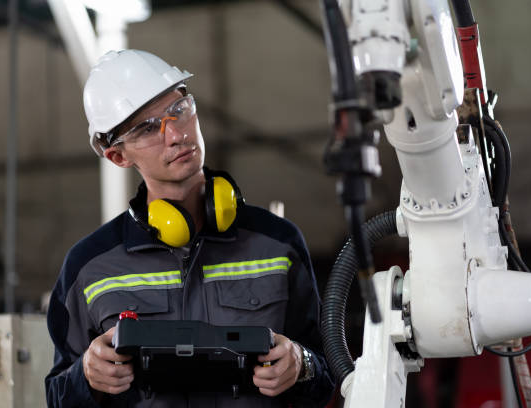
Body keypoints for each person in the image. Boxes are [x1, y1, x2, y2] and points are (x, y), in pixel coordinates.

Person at [45, 49, 334, 407]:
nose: (176, 135)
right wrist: (86, 377)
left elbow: (328, 373)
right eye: (147, 128)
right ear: (118, 156)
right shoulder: (88, 268)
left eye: (179, 111)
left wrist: (301, 365)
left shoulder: (278, 243)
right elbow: (57, 397)